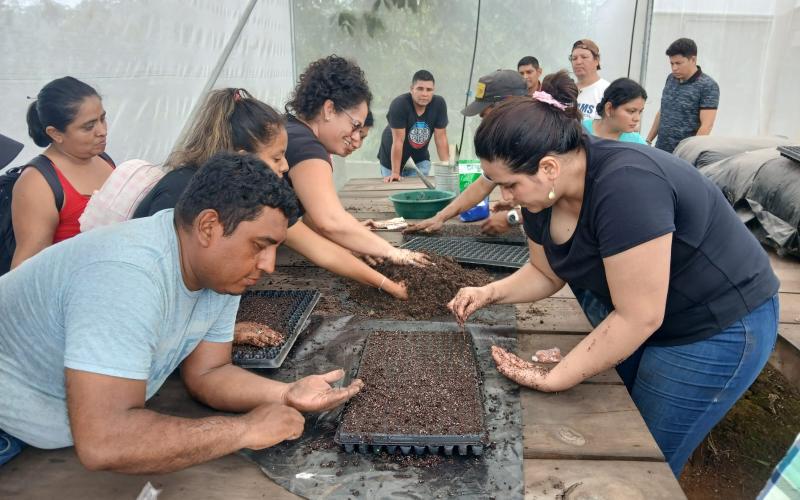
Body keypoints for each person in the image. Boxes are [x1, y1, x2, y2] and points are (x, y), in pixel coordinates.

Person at [447, 71, 779, 477]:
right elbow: (545, 273)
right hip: (647, 311)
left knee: (645, 456)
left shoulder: (626, 186)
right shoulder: (542, 199)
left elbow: (639, 316)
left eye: (510, 185)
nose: (505, 197)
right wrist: (488, 292)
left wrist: (556, 377)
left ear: (549, 166)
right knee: (622, 415)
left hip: (715, 322)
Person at [0, 152, 363, 472]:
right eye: (259, 246)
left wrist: (285, 393)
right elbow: (105, 441)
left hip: (60, 432)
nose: (268, 265)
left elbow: (209, 372)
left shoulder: (217, 270)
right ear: (208, 227)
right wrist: (245, 429)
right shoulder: (127, 275)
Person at [134, 88, 407, 312]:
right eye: (276, 158)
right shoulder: (180, 194)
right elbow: (157, 292)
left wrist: (385, 283)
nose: (285, 166)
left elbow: (320, 248)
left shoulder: (256, 196)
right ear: (243, 158)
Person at [284, 55, 428, 266]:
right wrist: (390, 251)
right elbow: (330, 221)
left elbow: (311, 216)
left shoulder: (291, 130)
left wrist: (354, 236)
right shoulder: (307, 147)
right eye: (355, 126)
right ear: (329, 110)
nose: (356, 139)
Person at [406, 70, 561, 236]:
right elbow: (483, 184)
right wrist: (440, 217)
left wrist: (513, 217)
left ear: (507, 103)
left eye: (486, 115)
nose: (485, 122)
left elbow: (562, 199)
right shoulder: (508, 138)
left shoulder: (542, 134)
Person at [11, 76, 114, 269]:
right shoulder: (37, 183)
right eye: (89, 126)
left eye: (103, 119)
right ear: (55, 133)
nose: (102, 131)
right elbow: (25, 270)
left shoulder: (103, 159)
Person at [646, 38, 719, 153]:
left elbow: (706, 126)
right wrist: (648, 140)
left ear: (693, 60)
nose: (674, 68)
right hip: (660, 150)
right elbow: (663, 111)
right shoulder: (671, 79)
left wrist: (690, 153)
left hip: (683, 154)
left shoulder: (708, 86)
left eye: (678, 63)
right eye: (671, 63)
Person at [377, 69, 450, 182]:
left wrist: (448, 169)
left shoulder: (439, 104)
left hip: (419, 160)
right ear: (411, 89)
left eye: (429, 90)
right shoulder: (399, 104)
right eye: (420, 89)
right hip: (391, 162)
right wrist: (395, 173)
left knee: (418, 190)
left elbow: (441, 138)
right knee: (394, 189)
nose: (424, 94)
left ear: (433, 90)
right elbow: (398, 141)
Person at [583, 78, 647, 144]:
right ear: (609, 108)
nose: (637, 119)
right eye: (631, 111)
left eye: (640, 112)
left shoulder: (637, 143)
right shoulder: (580, 131)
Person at [570, 39, 610, 119]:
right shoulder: (567, 90)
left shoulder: (607, 91)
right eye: (574, 58)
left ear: (597, 60)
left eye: (584, 57)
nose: (578, 62)